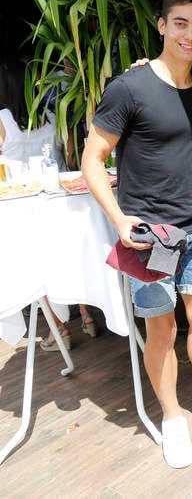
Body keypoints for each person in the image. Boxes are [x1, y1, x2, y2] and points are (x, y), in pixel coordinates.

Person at [83, 0, 192, 469]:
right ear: (161, 26)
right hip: (150, 237)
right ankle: (174, 418)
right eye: (180, 23)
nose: (190, 34)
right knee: (162, 329)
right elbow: (92, 159)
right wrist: (118, 219)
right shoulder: (129, 87)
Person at [0, 57, 98, 348]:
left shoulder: (2, 120)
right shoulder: (55, 115)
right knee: (68, 257)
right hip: (58, 199)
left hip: (22, 206)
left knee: (39, 265)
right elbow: (69, 153)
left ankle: (60, 331)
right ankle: (86, 315)